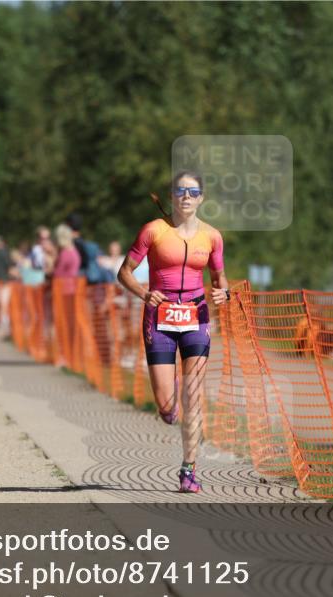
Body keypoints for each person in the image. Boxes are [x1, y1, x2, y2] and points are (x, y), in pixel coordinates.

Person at [117, 171, 229, 493]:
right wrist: (143, 293)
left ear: (201, 198)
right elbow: (124, 272)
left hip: (196, 316)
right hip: (159, 317)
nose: (187, 196)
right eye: (181, 191)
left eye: (193, 192)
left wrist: (224, 294)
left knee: (193, 398)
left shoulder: (212, 237)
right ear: (172, 195)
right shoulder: (153, 231)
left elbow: (221, 280)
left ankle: (188, 469)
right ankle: (170, 404)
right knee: (168, 407)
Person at [51, 223, 81, 367]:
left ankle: (66, 355)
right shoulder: (73, 251)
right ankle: (69, 355)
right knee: (69, 324)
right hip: (70, 291)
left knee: (64, 324)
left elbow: (58, 273)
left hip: (64, 291)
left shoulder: (65, 253)